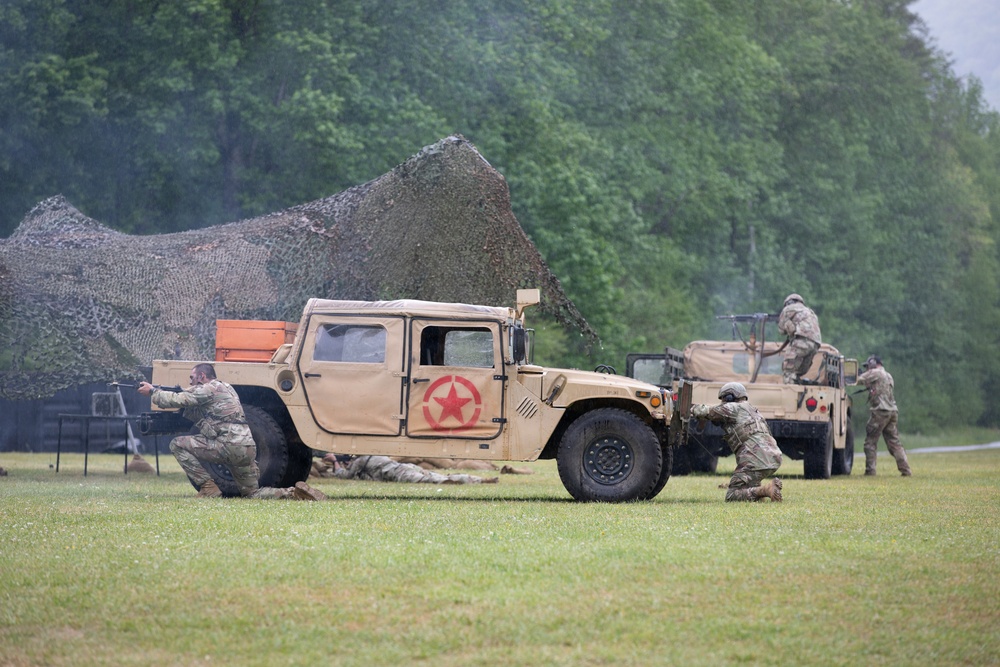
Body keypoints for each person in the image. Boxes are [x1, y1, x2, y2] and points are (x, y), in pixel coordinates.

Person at [138, 364, 325, 500]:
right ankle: (294, 493)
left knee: (177, 444)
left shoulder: (208, 389)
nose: (191, 383)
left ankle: (208, 488)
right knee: (253, 494)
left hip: (227, 446)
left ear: (202, 376)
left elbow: (178, 400)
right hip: (245, 447)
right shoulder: (227, 388)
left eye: (192, 379)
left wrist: (153, 391)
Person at [690, 382, 783, 502]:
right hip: (773, 458)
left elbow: (706, 411)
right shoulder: (753, 410)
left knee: (732, 495)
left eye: (724, 399)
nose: (723, 402)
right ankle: (760, 492)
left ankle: (766, 490)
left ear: (730, 397)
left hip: (756, 460)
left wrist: (691, 408)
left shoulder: (733, 407)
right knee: (748, 484)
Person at [856, 355, 911, 477]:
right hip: (892, 411)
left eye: (867, 366)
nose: (867, 369)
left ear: (873, 364)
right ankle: (905, 470)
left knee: (870, 442)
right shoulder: (888, 375)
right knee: (894, 443)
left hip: (880, 411)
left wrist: (857, 375)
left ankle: (870, 471)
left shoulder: (875, 373)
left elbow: (857, 380)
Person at [329, 454, 499, 484]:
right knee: (438, 475)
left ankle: (477, 480)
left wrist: (335, 462)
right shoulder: (368, 458)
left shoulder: (361, 461)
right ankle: (478, 479)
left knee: (436, 480)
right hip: (406, 468)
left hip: (401, 473)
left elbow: (344, 476)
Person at [777, 293, 822, 384]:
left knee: (788, 371)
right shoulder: (810, 312)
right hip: (815, 345)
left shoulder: (788, 309)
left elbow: (781, 330)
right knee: (797, 372)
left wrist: (787, 325)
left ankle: (790, 395)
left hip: (801, 341)